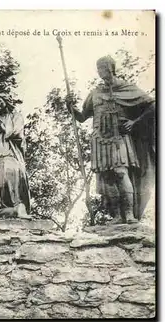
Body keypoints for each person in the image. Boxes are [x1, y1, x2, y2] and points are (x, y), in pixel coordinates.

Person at [69, 56, 155, 224]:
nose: (99, 71)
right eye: (98, 68)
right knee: (106, 176)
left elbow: (152, 104)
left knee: (121, 173)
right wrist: (69, 107)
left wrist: (135, 122)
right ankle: (116, 216)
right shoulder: (95, 93)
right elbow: (81, 117)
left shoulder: (126, 87)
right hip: (99, 139)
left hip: (119, 137)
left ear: (110, 68)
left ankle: (129, 215)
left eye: (101, 67)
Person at [0, 97, 31, 213]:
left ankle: (14, 203)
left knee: (8, 171)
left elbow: (18, 133)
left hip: (10, 149)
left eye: (0, 101)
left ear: (6, 102)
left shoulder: (16, 116)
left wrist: (4, 129)